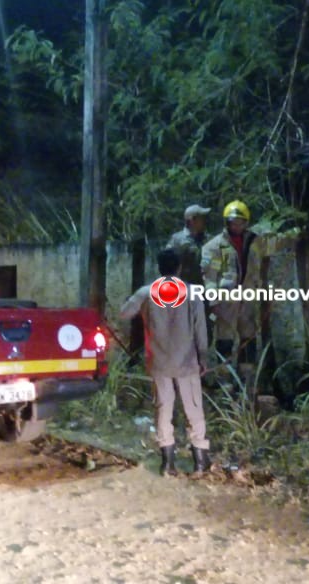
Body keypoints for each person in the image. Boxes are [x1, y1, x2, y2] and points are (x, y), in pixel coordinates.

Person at [119, 248, 211, 477]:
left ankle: (167, 464)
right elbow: (200, 329)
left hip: (159, 362)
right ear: (179, 268)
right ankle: (200, 462)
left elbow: (124, 313)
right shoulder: (192, 293)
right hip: (187, 362)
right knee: (193, 408)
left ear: (159, 268)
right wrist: (203, 356)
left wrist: (136, 303)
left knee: (163, 408)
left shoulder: (146, 292)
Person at [200, 200, 259, 367]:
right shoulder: (213, 247)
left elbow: (275, 245)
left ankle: (246, 376)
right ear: (227, 222)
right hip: (225, 302)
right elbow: (210, 277)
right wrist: (213, 301)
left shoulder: (255, 241)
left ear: (246, 223)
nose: (237, 226)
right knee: (225, 339)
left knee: (249, 339)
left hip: (248, 298)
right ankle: (224, 376)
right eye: (233, 222)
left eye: (241, 222)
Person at [166, 204, 211, 286]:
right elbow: (168, 265)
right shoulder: (177, 240)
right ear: (192, 221)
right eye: (201, 218)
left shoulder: (208, 239)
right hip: (185, 287)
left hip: (205, 287)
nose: (205, 220)